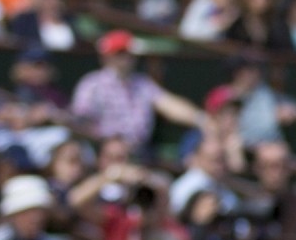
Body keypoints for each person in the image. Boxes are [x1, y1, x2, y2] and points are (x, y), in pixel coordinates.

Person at [71, 30, 204, 156]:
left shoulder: (143, 83)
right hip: (103, 154)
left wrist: (202, 119)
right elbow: (80, 122)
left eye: (129, 53)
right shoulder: (92, 84)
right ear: (106, 57)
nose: (127, 58)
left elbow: (169, 104)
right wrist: (110, 144)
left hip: (139, 155)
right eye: (121, 53)